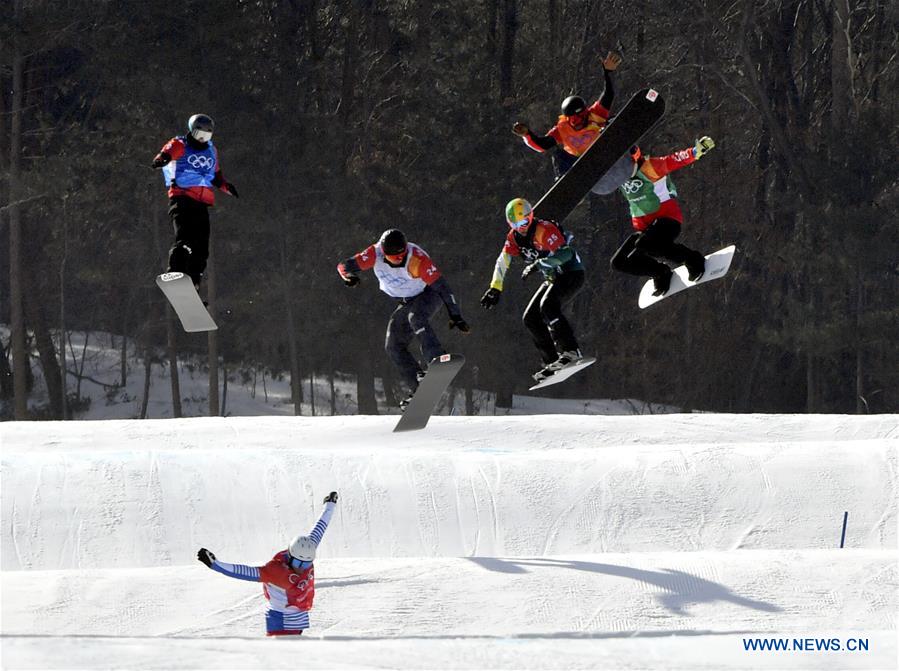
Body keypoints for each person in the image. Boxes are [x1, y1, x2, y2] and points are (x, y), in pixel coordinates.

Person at [337, 229, 470, 407]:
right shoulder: (373, 254)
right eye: (394, 257)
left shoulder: (416, 260)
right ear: (384, 253)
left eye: (402, 255)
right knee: (392, 345)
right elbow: (343, 266)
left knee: (416, 318)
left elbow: (442, 287)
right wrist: (349, 276)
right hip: (406, 301)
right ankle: (418, 389)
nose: (399, 259)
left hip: (428, 294)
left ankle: (437, 360)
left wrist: (455, 314)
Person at [196, 492, 338, 637]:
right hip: (281, 619)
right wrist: (216, 565)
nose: (301, 568)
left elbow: (319, 529)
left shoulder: (306, 550)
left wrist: (330, 505)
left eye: (307, 564)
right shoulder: (276, 571)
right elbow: (245, 572)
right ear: (290, 556)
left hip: (298, 616)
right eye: (298, 562)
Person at [480, 198, 586, 382]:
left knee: (548, 306)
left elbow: (566, 253)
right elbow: (502, 261)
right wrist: (495, 287)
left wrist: (539, 264)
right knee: (530, 318)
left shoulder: (543, 229)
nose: (522, 226)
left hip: (571, 273)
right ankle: (552, 361)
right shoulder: (513, 238)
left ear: (531, 216)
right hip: (553, 278)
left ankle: (571, 350)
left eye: (525, 221)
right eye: (516, 224)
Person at [610, 137, 716, 296]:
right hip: (646, 230)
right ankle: (660, 273)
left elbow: (673, 160)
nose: (621, 171)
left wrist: (695, 152)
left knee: (645, 244)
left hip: (667, 221)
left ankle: (693, 260)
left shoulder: (649, 167)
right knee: (619, 262)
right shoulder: (617, 177)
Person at [151, 114, 238, 292]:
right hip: (182, 198)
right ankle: (176, 271)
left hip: (202, 203)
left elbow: (215, 175)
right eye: (199, 135)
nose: (202, 139)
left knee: (202, 246)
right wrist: (162, 159)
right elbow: (166, 153)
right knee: (185, 238)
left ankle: (193, 282)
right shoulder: (180, 144)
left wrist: (225, 186)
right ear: (192, 131)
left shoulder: (211, 151)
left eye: (206, 136)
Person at [512, 52, 625, 188]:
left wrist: (608, 72)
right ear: (567, 118)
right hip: (581, 164)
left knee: (612, 121)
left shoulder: (595, 114)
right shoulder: (562, 129)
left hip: (602, 153)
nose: (579, 120)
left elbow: (608, 94)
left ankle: (629, 150)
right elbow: (543, 145)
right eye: (575, 118)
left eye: (582, 115)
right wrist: (527, 134)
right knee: (558, 154)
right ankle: (564, 183)